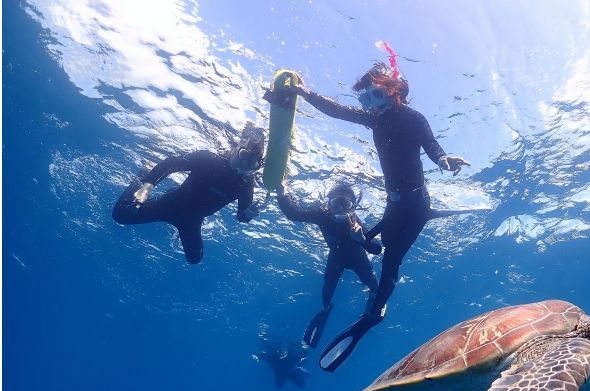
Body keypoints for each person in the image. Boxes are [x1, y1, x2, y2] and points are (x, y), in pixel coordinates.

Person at [264, 63, 471, 371]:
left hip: (416, 207)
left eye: (376, 95)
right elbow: (336, 111)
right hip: (393, 206)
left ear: (394, 90)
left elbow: (431, 145)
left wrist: (444, 160)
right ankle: (373, 301)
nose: (371, 104)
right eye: (365, 99)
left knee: (391, 261)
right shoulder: (374, 120)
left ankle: (373, 314)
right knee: (374, 245)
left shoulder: (414, 118)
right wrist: (304, 93)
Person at [112, 123, 263, 264]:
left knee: (194, 258)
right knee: (119, 215)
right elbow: (170, 164)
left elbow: (241, 215)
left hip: (191, 220)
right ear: (235, 148)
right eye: (244, 155)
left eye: (252, 162)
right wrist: (146, 187)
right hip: (170, 204)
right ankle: (141, 176)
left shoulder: (245, 184)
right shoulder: (208, 159)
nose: (245, 164)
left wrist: (247, 215)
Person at [276, 181, 382, 348]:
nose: (339, 208)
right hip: (336, 259)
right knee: (327, 290)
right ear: (329, 203)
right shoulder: (322, 215)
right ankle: (325, 310)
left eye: (345, 204)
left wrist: (362, 239)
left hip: (358, 259)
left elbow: (377, 248)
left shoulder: (355, 223)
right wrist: (282, 193)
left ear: (352, 207)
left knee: (373, 285)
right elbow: (293, 214)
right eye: (336, 202)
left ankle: (375, 297)